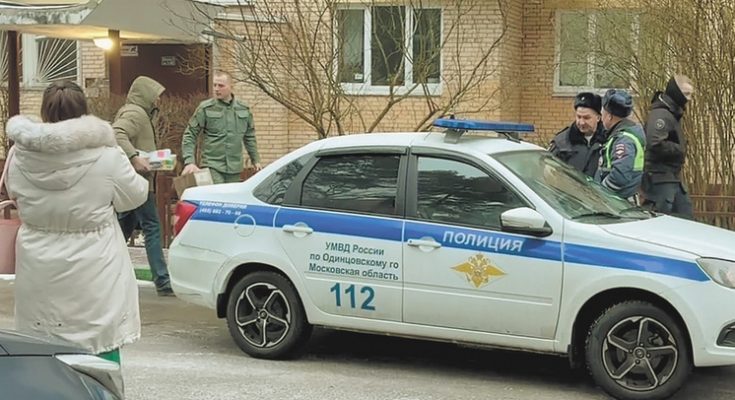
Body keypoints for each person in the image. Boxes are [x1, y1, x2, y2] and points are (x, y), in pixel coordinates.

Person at [5, 81, 148, 363]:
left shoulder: (19, 155)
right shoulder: (107, 155)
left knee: (42, 347)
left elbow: (14, 193)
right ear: (84, 111)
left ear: (44, 112)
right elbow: (134, 196)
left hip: (38, 264)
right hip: (96, 265)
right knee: (99, 348)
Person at [112, 76, 173, 296]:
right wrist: (135, 157)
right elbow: (117, 133)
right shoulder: (136, 113)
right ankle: (163, 281)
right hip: (138, 184)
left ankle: (103, 272)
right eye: (155, 95)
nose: (158, 99)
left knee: (121, 231)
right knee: (152, 227)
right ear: (145, 94)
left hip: (133, 182)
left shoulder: (138, 112)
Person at [181, 70, 261, 184]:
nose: (216, 89)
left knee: (231, 195)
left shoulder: (243, 109)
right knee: (218, 193)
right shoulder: (205, 108)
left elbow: (249, 137)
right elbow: (190, 134)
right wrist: (189, 161)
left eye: (221, 86)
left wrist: (255, 160)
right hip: (212, 165)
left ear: (231, 86)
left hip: (234, 167)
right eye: (215, 85)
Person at [641, 75, 694, 218]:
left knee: (685, 219)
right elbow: (655, 142)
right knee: (661, 220)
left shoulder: (670, 113)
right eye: (686, 94)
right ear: (676, 92)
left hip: (670, 178)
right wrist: (679, 149)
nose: (688, 99)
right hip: (660, 179)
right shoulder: (661, 115)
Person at [595, 89, 646, 202]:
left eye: (603, 114)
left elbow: (620, 176)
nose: (601, 118)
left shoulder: (624, 140)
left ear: (609, 116)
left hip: (619, 202)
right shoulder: (622, 135)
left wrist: (601, 193)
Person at [548, 92, 606, 177]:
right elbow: (548, 170)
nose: (581, 122)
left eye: (586, 118)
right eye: (579, 117)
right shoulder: (562, 142)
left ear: (598, 118)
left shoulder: (607, 139)